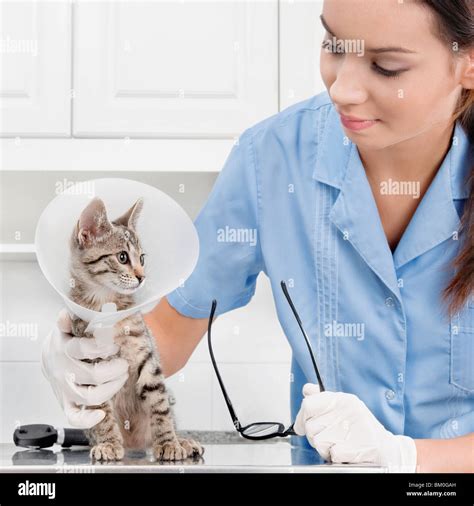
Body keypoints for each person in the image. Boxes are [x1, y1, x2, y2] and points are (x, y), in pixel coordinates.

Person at [41, 0, 473, 472]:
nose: (342, 89)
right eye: (333, 45)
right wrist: (88, 359)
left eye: (385, 66)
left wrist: (409, 459)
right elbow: (166, 332)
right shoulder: (271, 160)